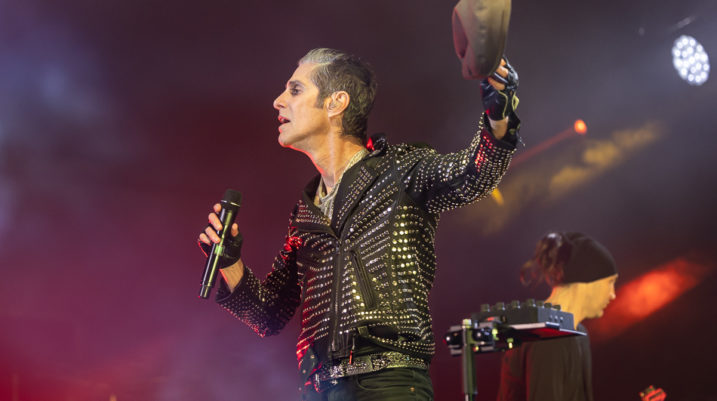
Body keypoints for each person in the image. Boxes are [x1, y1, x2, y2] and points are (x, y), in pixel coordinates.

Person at [198, 47, 520, 400]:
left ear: (336, 103)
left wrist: (498, 110)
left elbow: (475, 173)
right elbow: (268, 316)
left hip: (388, 383)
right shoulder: (305, 212)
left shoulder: (401, 170)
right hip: (319, 390)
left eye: (295, 90)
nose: (278, 101)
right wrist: (229, 262)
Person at [496, 232, 619, 401]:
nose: (612, 294)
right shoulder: (547, 336)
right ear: (585, 282)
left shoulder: (578, 334)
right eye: (610, 282)